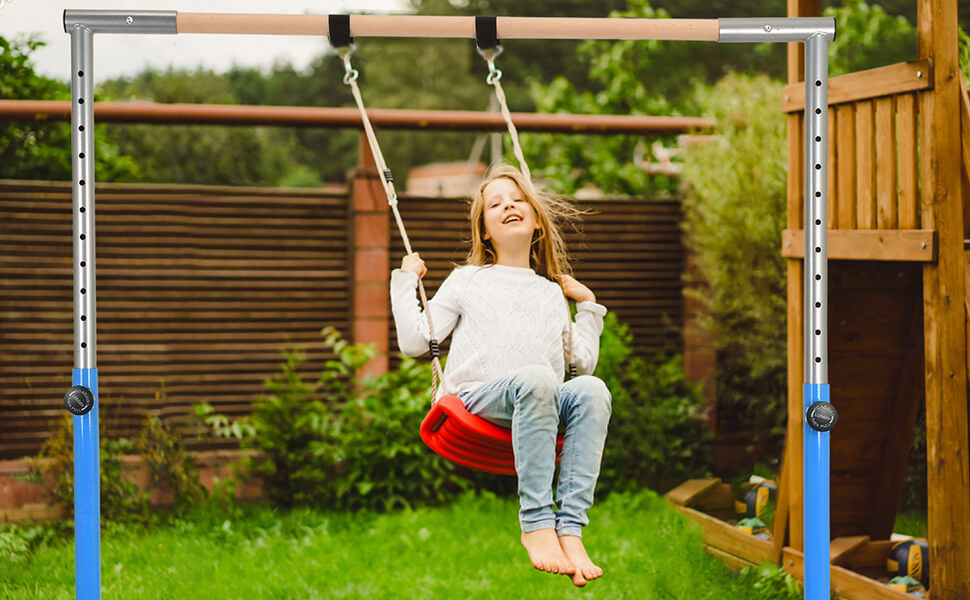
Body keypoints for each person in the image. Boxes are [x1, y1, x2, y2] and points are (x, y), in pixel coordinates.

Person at [389, 164, 611, 587]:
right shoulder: (468, 280)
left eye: (517, 198)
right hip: (476, 401)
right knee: (536, 378)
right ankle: (536, 522)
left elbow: (580, 366)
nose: (508, 204)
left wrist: (588, 307)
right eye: (495, 203)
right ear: (485, 231)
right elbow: (416, 342)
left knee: (592, 390)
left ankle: (571, 527)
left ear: (536, 219)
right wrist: (405, 280)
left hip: (538, 401)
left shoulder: (550, 291)